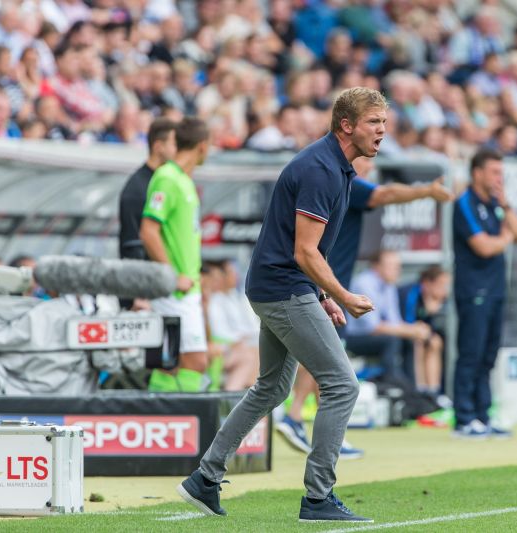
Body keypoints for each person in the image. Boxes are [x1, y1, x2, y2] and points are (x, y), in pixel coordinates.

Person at [176, 87, 386, 522]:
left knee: (271, 387)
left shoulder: (335, 166)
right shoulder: (321, 170)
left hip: (280, 287)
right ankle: (318, 497)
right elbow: (305, 252)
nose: (382, 131)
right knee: (343, 384)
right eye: (374, 122)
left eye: (383, 122)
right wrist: (343, 295)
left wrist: (324, 296)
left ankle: (204, 478)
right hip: (285, 288)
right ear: (346, 125)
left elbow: (312, 249)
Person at [276, 155, 453, 458]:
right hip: (326, 288)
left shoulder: (340, 187)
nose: (371, 169)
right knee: (325, 362)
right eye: (367, 163)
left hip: (326, 287)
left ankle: (327, 436)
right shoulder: (349, 184)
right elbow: (385, 194)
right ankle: (293, 417)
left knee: (325, 364)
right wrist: (426, 191)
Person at [452, 147, 517, 438]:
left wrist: (507, 208)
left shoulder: (497, 203)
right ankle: (463, 417)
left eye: (501, 173)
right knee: (471, 353)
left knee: (488, 355)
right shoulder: (465, 203)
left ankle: (483, 414)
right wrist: (505, 237)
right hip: (473, 289)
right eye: (494, 172)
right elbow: (483, 246)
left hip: (495, 289)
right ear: (477, 173)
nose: (499, 178)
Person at [139, 117, 209, 392]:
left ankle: (164, 421)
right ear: (203, 147)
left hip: (186, 289)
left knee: (176, 362)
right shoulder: (167, 178)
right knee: (195, 360)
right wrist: (172, 274)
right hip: (174, 290)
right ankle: (187, 423)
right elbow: (148, 230)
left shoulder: (183, 180)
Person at [344, 250, 432, 379]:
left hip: (374, 335)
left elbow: (394, 322)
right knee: (392, 340)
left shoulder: (389, 285)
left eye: (398, 266)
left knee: (410, 339)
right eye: (393, 266)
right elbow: (373, 328)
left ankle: (412, 390)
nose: (398, 270)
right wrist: (411, 330)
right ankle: (392, 383)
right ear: (377, 266)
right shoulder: (364, 283)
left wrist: (414, 329)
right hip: (353, 338)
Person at [118, 118, 178, 261]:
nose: (179, 150)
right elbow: (132, 245)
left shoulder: (164, 180)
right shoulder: (137, 189)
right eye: (175, 144)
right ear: (158, 146)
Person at [200, 259, 260, 392]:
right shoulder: (209, 302)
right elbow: (217, 336)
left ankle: (241, 401)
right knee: (250, 354)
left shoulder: (229, 298)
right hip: (216, 350)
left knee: (255, 351)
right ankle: (234, 399)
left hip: (222, 347)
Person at [399, 265, 451, 400]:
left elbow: (437, 328)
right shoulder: (411, 293)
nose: (444, 290)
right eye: (441, 285)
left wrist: (432, 312)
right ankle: (420, 390)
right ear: (427, 284)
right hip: (402, 333)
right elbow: (408, 322)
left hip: (422, 334)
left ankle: (434, 391)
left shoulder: (441, 300)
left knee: (436, 342)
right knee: (419, 341)